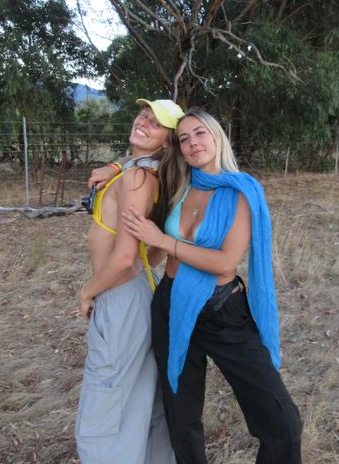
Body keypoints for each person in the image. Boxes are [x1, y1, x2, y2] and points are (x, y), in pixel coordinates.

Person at [122, 109, 302, 464]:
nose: (192, 144)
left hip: (223, 311)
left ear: (217, 137)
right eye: (184, 139)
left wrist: (162, 239)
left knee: (281, 421)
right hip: (172, 304)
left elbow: (224, 262)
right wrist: (112, 169)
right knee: (181, 414)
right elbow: (145, 159)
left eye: (200, 133)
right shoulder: (180, 183)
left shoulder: (240, 193)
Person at [75, 99, 183, 464]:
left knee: (106, 403)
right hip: (136, 293)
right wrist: (115, 165)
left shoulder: (137, 178)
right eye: (143, 115)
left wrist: (88, 292)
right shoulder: (143, 172)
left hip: (120, 294)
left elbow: (125, 259)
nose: (143, 122)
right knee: (136, 397)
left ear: (166, 142)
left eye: (155, 124)